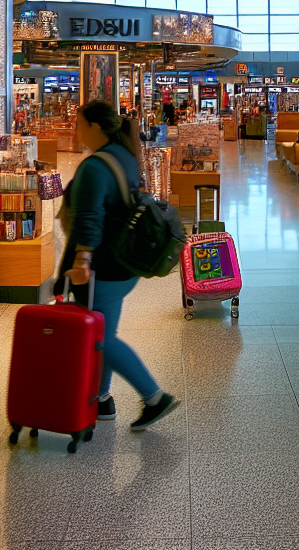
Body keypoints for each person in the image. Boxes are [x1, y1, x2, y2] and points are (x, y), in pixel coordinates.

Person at [61, 100, 179, 431]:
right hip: (126, 262)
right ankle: (102, 401)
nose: (76, 130)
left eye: (80, 124)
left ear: (96, 127)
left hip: (103, 266)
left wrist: (82, 259)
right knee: (104, 332)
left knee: (100, 338)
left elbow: (90, 218)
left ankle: (154, 397)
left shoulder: (95, 167)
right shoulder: (125, 155)